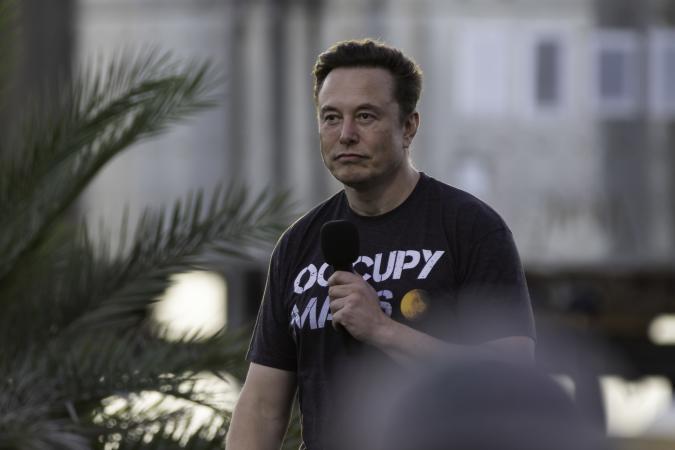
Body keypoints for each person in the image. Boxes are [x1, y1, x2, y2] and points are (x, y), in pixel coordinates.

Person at [226, 38, 536, 450]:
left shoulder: (469, 228)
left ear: (408, 127)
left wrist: (382, 330)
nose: (346, 134)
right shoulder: (299, 244)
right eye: (331, 117)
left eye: (366, 116)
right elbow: (263, 405)